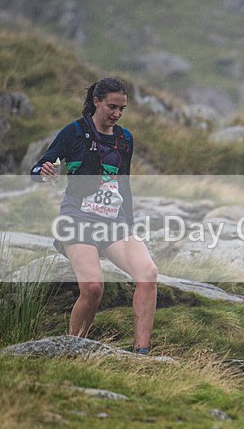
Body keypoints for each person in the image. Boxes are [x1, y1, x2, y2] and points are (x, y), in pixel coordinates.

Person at [30, 77, 158, 354]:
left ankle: (142, 353)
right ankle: (73, 348)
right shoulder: (74, 132)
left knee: (148, 274)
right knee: (92, 288)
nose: (117, 114)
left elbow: (124, 183)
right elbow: (39, 169)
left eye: (122, 108)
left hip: (114, 222)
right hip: (77, 219)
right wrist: (44, 172)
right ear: (96, 102)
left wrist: (130, 226)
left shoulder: (124, 139)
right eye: (112, 106)